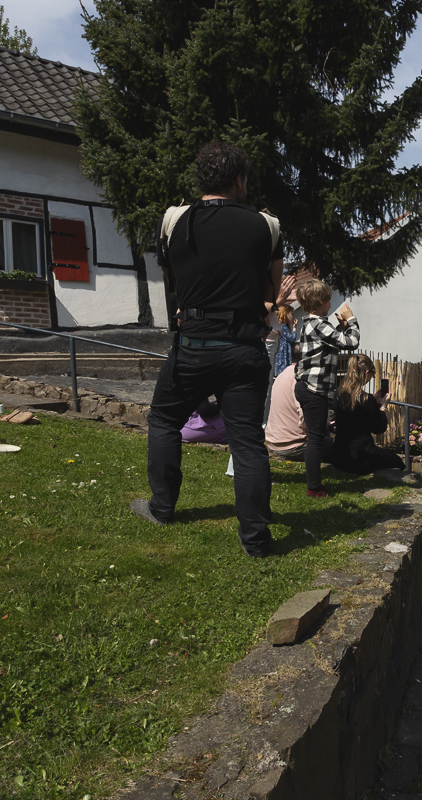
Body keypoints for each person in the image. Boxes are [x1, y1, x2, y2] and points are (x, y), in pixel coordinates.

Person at [135, 142, 283, 559]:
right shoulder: (267, 225)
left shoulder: (174, 219)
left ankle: (162, 508)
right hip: (244, 347)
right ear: (238, 180)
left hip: (195, 343)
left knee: (164, 419)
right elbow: (271, 290)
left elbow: (174, 279)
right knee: (247, 441)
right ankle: (256, 541)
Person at [294, 278, 360, 497]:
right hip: (314, 389)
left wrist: (340, 328)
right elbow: (351, 343)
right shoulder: (319, 325)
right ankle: (313, 487)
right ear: (322, 301)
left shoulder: (309, 323)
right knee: (315, 438)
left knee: (317, 435)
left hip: (309, 387)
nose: (331, 302)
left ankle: (315, 483)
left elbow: (331, 342)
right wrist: (351, 321)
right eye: (329, 298)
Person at [328, 354, 406, 474]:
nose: (371, 378)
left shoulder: (338, 394)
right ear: (366, 372)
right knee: (397, 461)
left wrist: (374, 402)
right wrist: (383, 406)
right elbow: (379, 428)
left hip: (339, 455)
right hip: (362, 456)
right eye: (372, 375)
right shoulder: (366, 399)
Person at [266, 344, 309, 461]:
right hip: (293, 445)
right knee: (335, 444)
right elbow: (305, 416)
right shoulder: (300, 377)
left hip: (273, 442)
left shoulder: (282, 374)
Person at [272, 304, 296, 378]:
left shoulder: (282, 327)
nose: (293, 316)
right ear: (285, 314)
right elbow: (292, 339)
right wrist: (294, 328)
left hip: (282, 356)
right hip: (283, 357)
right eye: (291, 314)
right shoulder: (283, 327)